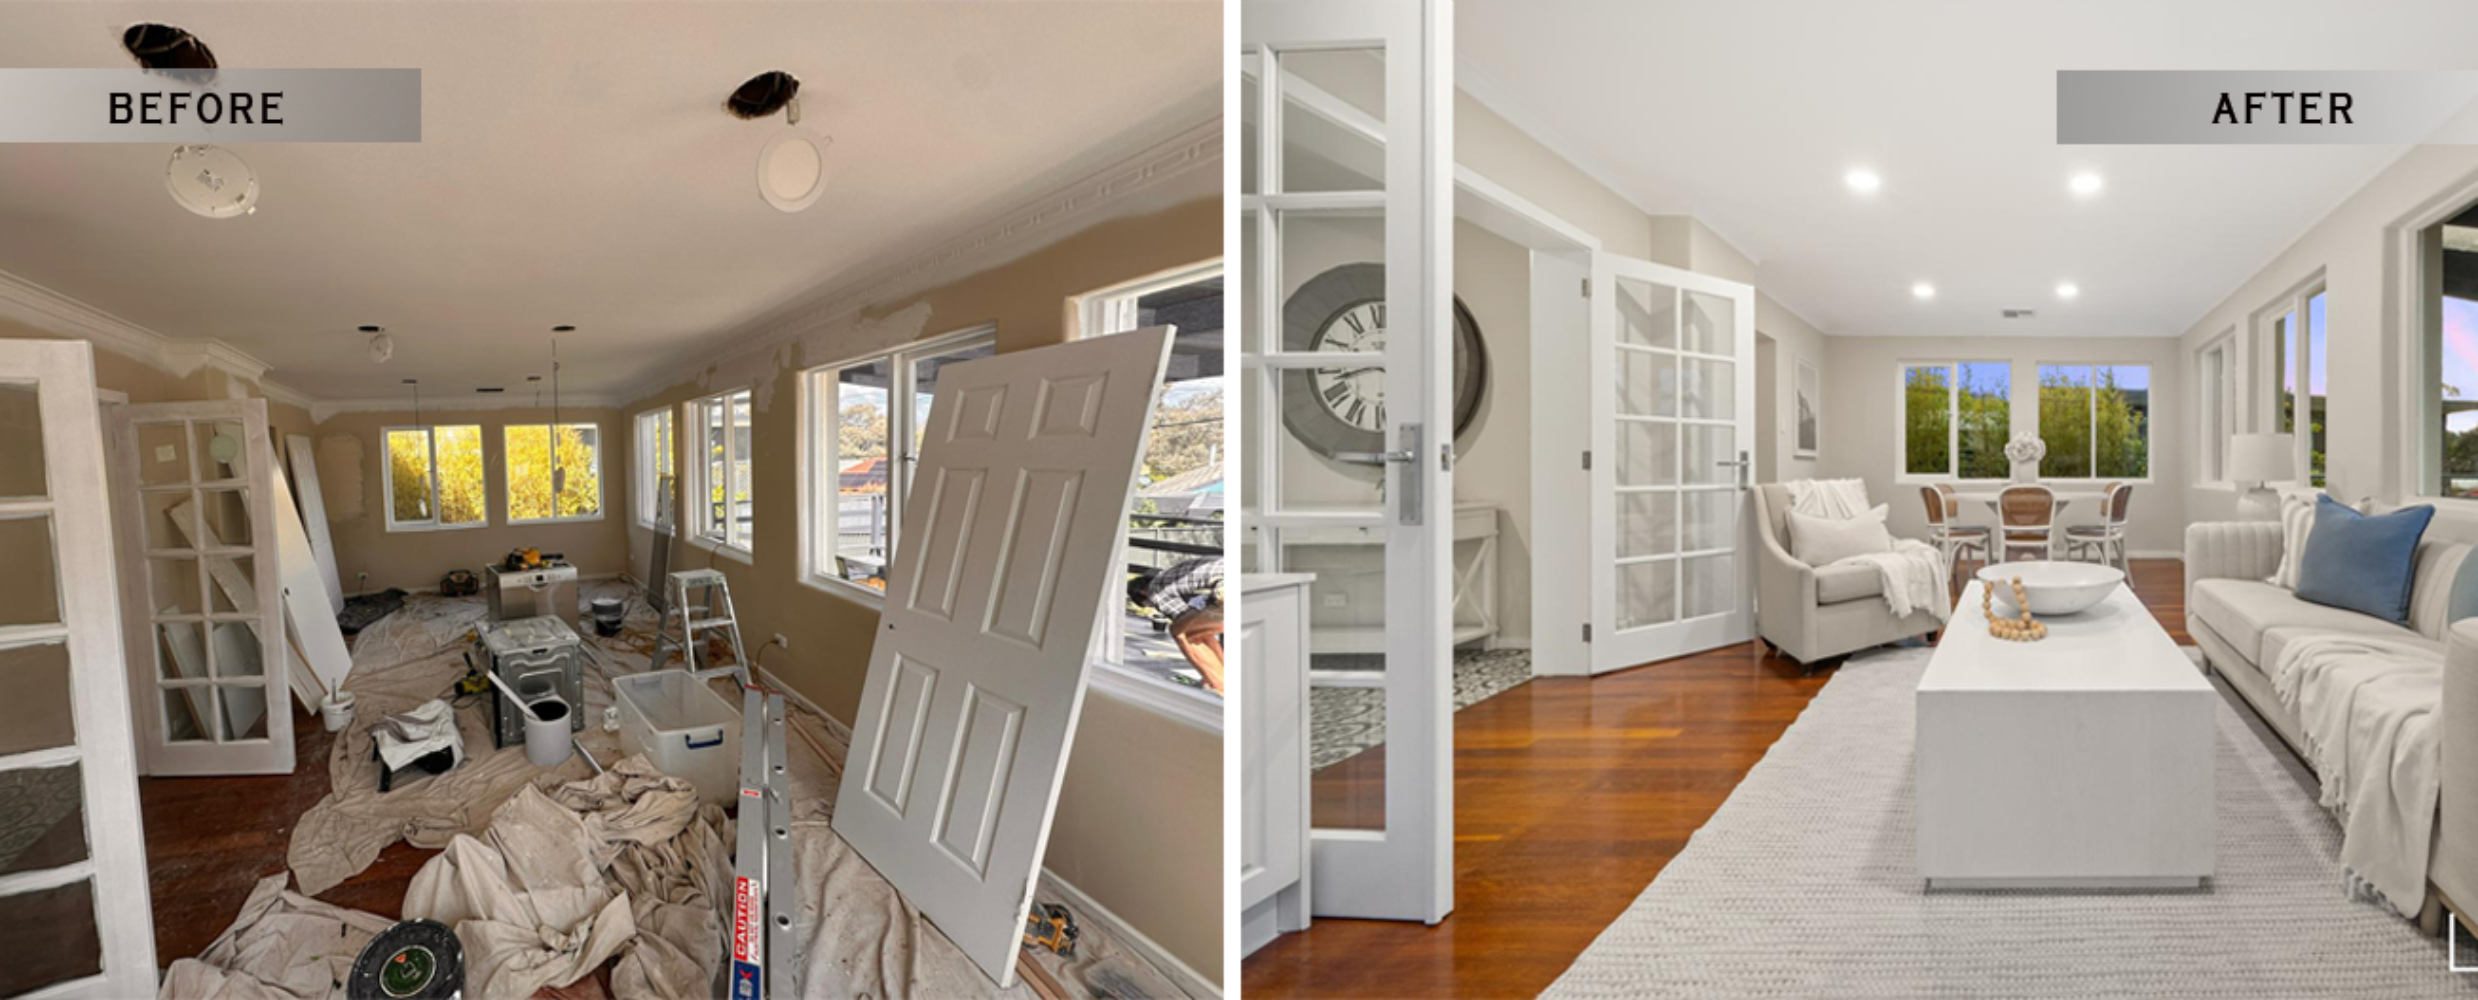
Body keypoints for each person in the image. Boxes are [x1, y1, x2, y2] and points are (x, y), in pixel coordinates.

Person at [1143, 556, 1224, 693]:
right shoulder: (1177, 573)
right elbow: (1201, 628)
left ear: (1142, 593)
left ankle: (1222, 688)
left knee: (1182, 632)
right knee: (1200, 631)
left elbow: (1185, 626)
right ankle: (1222, 677)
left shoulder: (1156, 590)